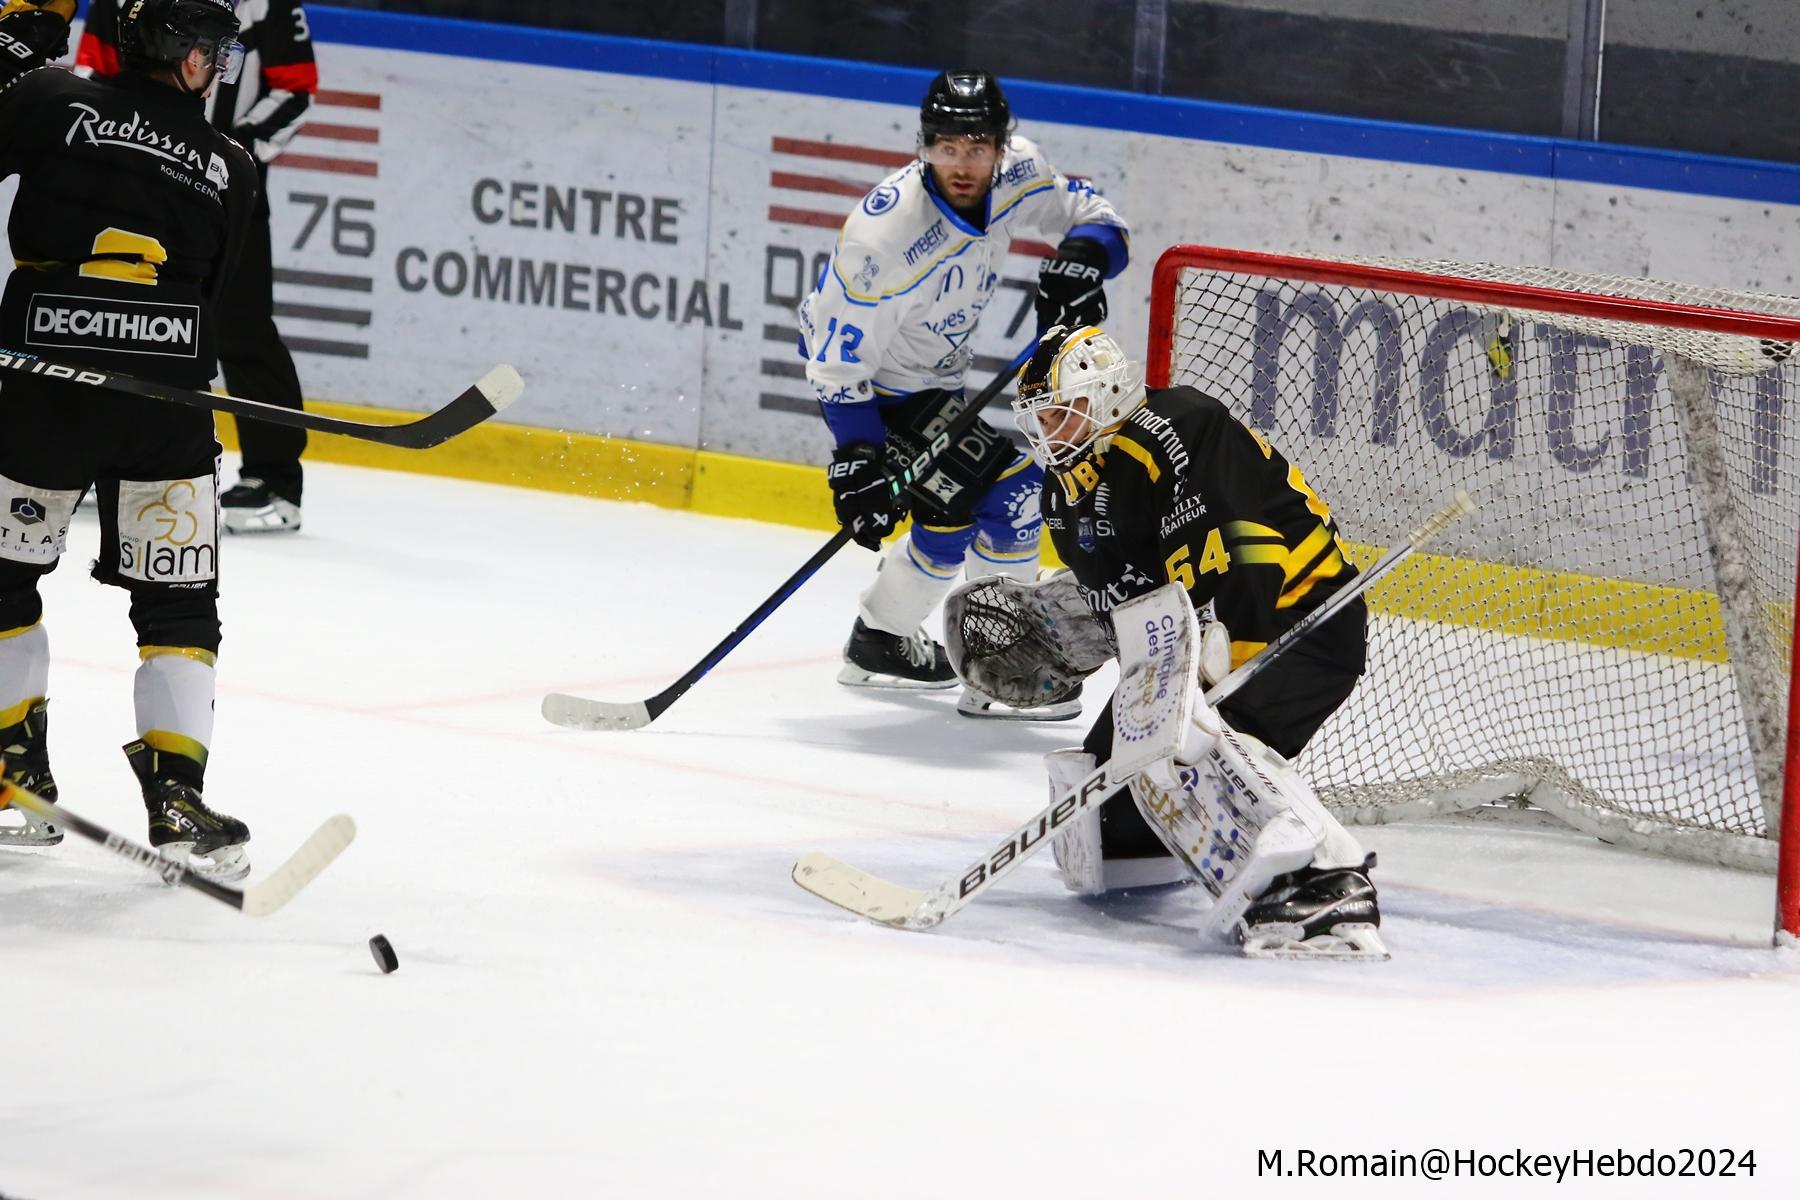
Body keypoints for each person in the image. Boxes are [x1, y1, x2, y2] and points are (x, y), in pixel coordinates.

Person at [948, 323, 1384, 957]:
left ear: (1107, 396)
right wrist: (1074, 637)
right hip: (1201, 639)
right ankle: (1181, 847)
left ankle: (1326, 880)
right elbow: (1131, 606)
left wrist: (1213, 672)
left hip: (1298, 623)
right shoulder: (1065, 497)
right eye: (1040, 419)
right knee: (1105, 823)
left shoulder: (1176, 427)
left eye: (1062, 413)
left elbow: (1246, 546)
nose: (1049, 432)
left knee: (1195, 743)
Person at [0, 0, 256, 878]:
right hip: (165, 404)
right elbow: (217, 299)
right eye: (211, 49)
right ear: (180, 51)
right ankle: (178, 799)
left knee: (3, 581)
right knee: (179, 606)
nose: (216, 65)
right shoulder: (231, 164)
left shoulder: (47, 96)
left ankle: (13, 781)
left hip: (44, 391)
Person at [798, 68, 1129, 720]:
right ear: (924, 145)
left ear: (1001, 147)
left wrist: (1082, 261)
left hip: (935, 382)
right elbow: (835, 367)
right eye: (946, 147)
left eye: (978, 147)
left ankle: (880, 642)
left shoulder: (1020, 171)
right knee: (1011, 497)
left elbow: (1097, 218)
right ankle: (1004, 669)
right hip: (879, 389)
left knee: (949, 518)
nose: (962, 163)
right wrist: (859, 459)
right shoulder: (882, 239)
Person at [78, 0, 318, 534]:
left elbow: (296, 89)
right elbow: (93, 71)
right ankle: (95, 447)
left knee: (241, 327)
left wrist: (227, 151)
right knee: (114, 308)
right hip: (135, 176)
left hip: (227, 187)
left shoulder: (268, 3)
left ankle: (275, 478)